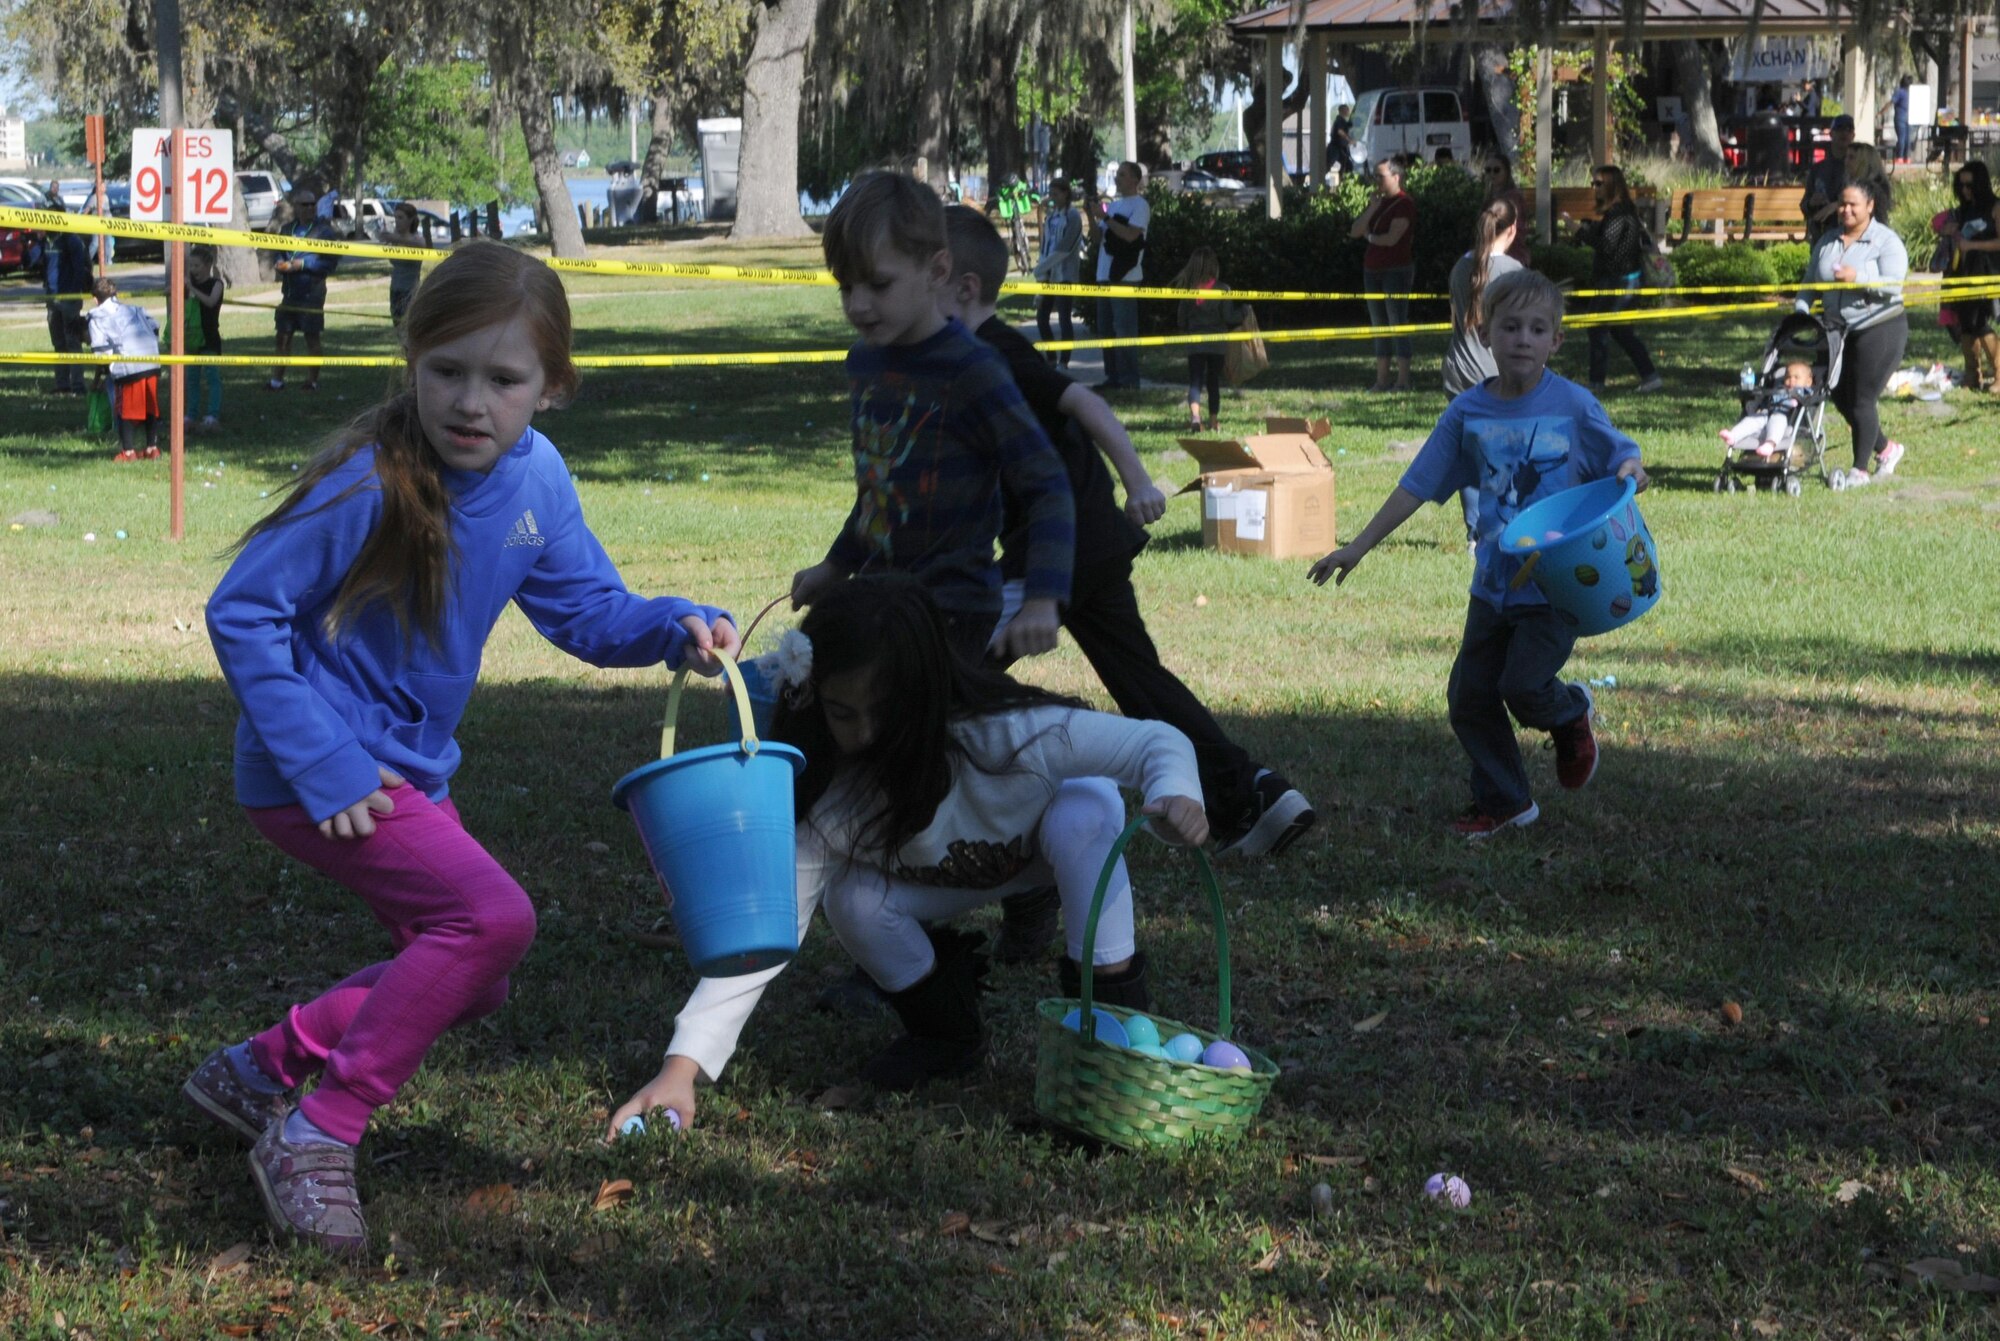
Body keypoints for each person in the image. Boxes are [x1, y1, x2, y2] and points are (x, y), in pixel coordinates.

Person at [186, 240, 740, 1256]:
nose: (469, 401)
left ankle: (261, 1068)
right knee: (491, 918)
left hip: (405, 771)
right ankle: (317, 1129)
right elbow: (242, 611)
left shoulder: (535, 476)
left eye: (502, 378)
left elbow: (586, 611)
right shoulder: (366, 483)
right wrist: (326, 762)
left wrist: (674, 626)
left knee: (470, 974)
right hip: (313, 773)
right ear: (411, 363)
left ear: (551, 387)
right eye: (446, 371)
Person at [608, 575, 1207, 1125]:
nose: (866, 734)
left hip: (1052, 849)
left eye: (886, 713)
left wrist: (1177, 794)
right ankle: (946, 1034)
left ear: (925, 696)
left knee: (1087, 815)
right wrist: (679, 1070)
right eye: (844, 713)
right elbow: (770, 931)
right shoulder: (833, 801)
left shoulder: (1017, 736)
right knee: (853, 897)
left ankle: (1114, 1044)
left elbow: (1156, 742)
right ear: (814, 700)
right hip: (949, 874)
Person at [940, 208, 1316, 866]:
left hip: (1057, 553)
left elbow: (1086, 403)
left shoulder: (994, 352)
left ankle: (972, 821)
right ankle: (1253, 790)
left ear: (963, 287)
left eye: (920, 277)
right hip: (1091, 546)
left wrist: (1139, 478)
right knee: (1141, 682)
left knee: (945, 673)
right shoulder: (956, 359)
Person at [1308, 270, 1649, 838]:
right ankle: (1507, 801)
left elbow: (1621, 456)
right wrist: (1358, 545)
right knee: (1469, 698)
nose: (1522, 338)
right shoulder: (1467, 412)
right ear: (1485, 334)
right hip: (1493, 585)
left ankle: (1569, 715)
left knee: (1522, 686)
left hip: (1556, 585)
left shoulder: (1573, 404)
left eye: (1537, 329)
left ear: (1555, 341)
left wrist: (1630, 470)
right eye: (1510, 326)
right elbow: (1418, 484)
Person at [789, 170, 1074, 666]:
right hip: (882, 598)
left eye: (878, 284)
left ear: (937, 270)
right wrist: (836, 566)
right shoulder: (865, 363)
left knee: (921, 735)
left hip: (954, 608)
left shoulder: (973, 369)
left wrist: (1042, 599)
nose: (857, 304)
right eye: (845, 286)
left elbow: (1047, 484)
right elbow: (879, 493)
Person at [1799, 183, 1909, 486]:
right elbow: (1810, 281)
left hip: (1880, 327)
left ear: (1870, 206)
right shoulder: (1828, 240)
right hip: (1835, 329)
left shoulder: (1886, 242)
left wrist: (1856, 277)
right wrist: (1800, 310)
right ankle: (1887, 449)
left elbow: (1893, 285)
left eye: (1853, 205)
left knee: (1861, 398)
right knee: (1838, 393)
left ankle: (1859, 470)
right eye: (1842, 204)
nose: (1846, 210)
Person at [1444, 196, 1524, 547]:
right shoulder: (1514, 272)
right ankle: (1503, 528)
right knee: (1504, 457)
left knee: (1469, 454)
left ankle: (1475, 532)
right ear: (1512, 230)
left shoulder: (1461, 266)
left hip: (1457, 369)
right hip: (1493, 373)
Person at [1565, 165, 1664, 394]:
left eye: (1599, 183)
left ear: (1612, 185)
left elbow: (1607, 247)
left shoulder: (1619, 212)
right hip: (1622, 279)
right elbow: (1611, 237)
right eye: (1593, 183)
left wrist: (1577, 230)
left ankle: (1597, 383)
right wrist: (1591, 227)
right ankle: (1650, 376)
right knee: (1620, 331)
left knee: (1599, 328)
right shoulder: (1621, 212)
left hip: (1619, 281)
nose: (1595, 188)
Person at [268, 185, 341, 392]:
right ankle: (276, 381)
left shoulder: (324, 232)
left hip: (312, 293)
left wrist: (303, 265)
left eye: (312, 204)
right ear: (296, 207)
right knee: (282, 336)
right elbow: (279, 255)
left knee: (312, 337)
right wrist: (280, 264)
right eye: (305, 204)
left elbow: (330, 264)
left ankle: (312, 381)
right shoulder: (286, 229)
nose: (310, 208)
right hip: (289, 293)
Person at [1352, 158, 1416, 392]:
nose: (1376, 181)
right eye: (1375, 176)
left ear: (1396, 177)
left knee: (1397, 322)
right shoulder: (1378, 203)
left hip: (1396, 270)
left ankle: (1403, 381)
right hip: (1372, 270)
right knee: (1379, 325)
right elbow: (1355, 231)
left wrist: (1370, 238)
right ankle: (1381, 381)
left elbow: (1392, 238)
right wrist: (1371, 208)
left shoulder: (1404, 204)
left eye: (1381, 176)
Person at [86, 276, 161, 463]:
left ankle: (128, 452)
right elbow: (155, 327)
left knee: (126, 410)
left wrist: (106, 369)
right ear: (116, 294)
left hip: (129, 366)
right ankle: (152, 448)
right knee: (151, 407)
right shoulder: (135, 309)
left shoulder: (96, 317)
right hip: (152, 360)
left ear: (95, 299)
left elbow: (101, 349)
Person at [1089, 161, 1150, 391]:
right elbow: (1097, 239)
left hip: (1125, 277)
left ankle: (1129, 380)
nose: (1118, 179)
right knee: (1106, 329)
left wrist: (1105, 218)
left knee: (1124, 330)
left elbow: (1130, 235)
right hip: (1104, 274)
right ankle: (1112, 377)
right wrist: (1093, 215)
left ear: (1135, 179)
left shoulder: (1140, 206)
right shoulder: (1113, 207)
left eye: (1122, 175)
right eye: (1117, 175)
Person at [1172, 246, 1241, 431]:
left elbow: (1181, 319)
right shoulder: (1223, 289)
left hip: (1195, 344)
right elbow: (1229, 317)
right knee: (1213, 382)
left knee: (1195, 381)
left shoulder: (1189, 291)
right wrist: (1244, 311)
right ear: (1214, 266)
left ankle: (1195, 417)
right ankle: (1213, 420)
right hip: (1217, 345)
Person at [1944, 161, 2000, 390]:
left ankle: (1998, 374)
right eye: (1962, 185)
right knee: (1966, 324)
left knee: (1981, 322)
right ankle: (1972, 375)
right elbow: (1939, 224)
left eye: (1970, 185)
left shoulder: (1996, 207)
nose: (1966, 190)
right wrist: (1947, 230)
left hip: (1988, 272)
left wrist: (1972, 246)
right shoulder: (1963, 209)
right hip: (1963, 272)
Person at [28, 218, 92, 396]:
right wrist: (33, 243)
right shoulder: (46, 241)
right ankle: (62, 384)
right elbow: (31, 260)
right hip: (51, 298)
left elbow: (80, 269)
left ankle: (78, 386)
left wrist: (73, 293)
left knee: (73, 342)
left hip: (69, 299)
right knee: (58, 343)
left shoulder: (71, 240)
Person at [1032, 179, 1084, 367]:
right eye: (1051, 194)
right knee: (1042, 317)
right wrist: (1042, 269)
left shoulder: (1073, 216)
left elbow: (1066, 248)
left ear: (1066, 194)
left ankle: (1064, 360)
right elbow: (1046, 243)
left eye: (1056, 194)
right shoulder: (1052, 216)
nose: (1052, 198)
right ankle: (1051, 357)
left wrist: (1044, 266)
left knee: (1064, 317)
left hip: (1065, 274)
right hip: (1047, 273)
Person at [1719, 360, 1814, 458]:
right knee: (1753, 419)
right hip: (1767, 413)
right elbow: (1767, 400)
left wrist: (1796, 400)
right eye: (1788, 377)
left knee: (1777, 420)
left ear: (1808, 382)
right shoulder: (1779, 389)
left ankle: (1770, 444)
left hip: (1786, 418)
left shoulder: (1805, 392)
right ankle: (1733, 435)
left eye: (1796, 377)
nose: (1791, 380)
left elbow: (1806, 399)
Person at [186, 244, 226, 432]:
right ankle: (190, 415)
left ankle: (212, 415)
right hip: (192, 338)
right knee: (192, 378)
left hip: (209, 336)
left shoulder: (216, 284)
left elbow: (211, 301)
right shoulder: (189, 283)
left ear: (208, 265)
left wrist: (193, 290)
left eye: (196, 266)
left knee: (212, 377)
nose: (193, 270)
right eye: (191, 266)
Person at [1803, 114, 1855, 242]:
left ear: (1853, 135)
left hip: (1847, 236)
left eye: (1848, 129)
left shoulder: (1858, 169)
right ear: (1831, 134)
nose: (1844, 133)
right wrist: (1811, 203)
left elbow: (1867, 205)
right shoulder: (1818, 169)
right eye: (1840, 129)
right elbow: (1804, 205)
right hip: (1820, 235)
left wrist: (1838, 206)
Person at [1482, 155, 1532, 266]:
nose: (1492, 174)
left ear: (1506, 172)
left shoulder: (1513, 197)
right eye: (1488, 170)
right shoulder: (1488, 195)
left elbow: (1513, 228)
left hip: (1512, 252)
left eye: (1496, 170)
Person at [383, 202, 426, 326]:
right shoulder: (395, 238)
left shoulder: (417, 239)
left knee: (409, 326)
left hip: (410, 290)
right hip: (395, 289)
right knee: (397, 326)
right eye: (395, 217)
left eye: (400, 218)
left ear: (411, 220)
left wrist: (394, 238)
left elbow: (422, 246)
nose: (397, 221)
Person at [1844, 143, 1894, 220]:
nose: (1846, 161)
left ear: (1864, 161)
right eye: (1846, 157)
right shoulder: (1849, 182)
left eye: (1851, 158)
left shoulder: (1876, 187)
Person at [1882, 74, 1912, 164]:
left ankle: (1900, 157)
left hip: (1900, 117)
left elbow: (1891, 102)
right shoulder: (1909, 93)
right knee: (1908, 138)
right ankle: (1907, 158)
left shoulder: (1899, 92)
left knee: (1901, 138)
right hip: (1910, 117)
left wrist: (1881, 111)